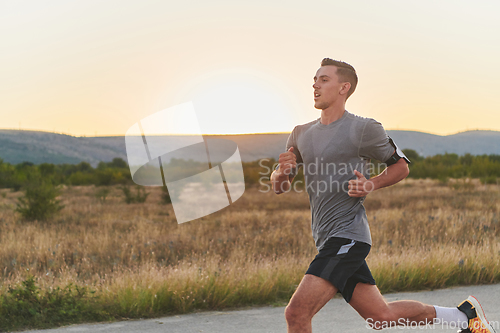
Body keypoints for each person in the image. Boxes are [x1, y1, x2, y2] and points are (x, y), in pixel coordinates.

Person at [270, 58, 496, 333]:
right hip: (326, 238)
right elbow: (279, 186)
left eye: (324, 79)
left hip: (348, 237)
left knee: (297, 313)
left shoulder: (363, 128)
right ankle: (465, 318)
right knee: (380, 317)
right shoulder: (300, 134)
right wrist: (282, 173)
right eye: (315, 79)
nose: (315, 84)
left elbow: (400, 167)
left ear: (344, 87)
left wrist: (370, 185)